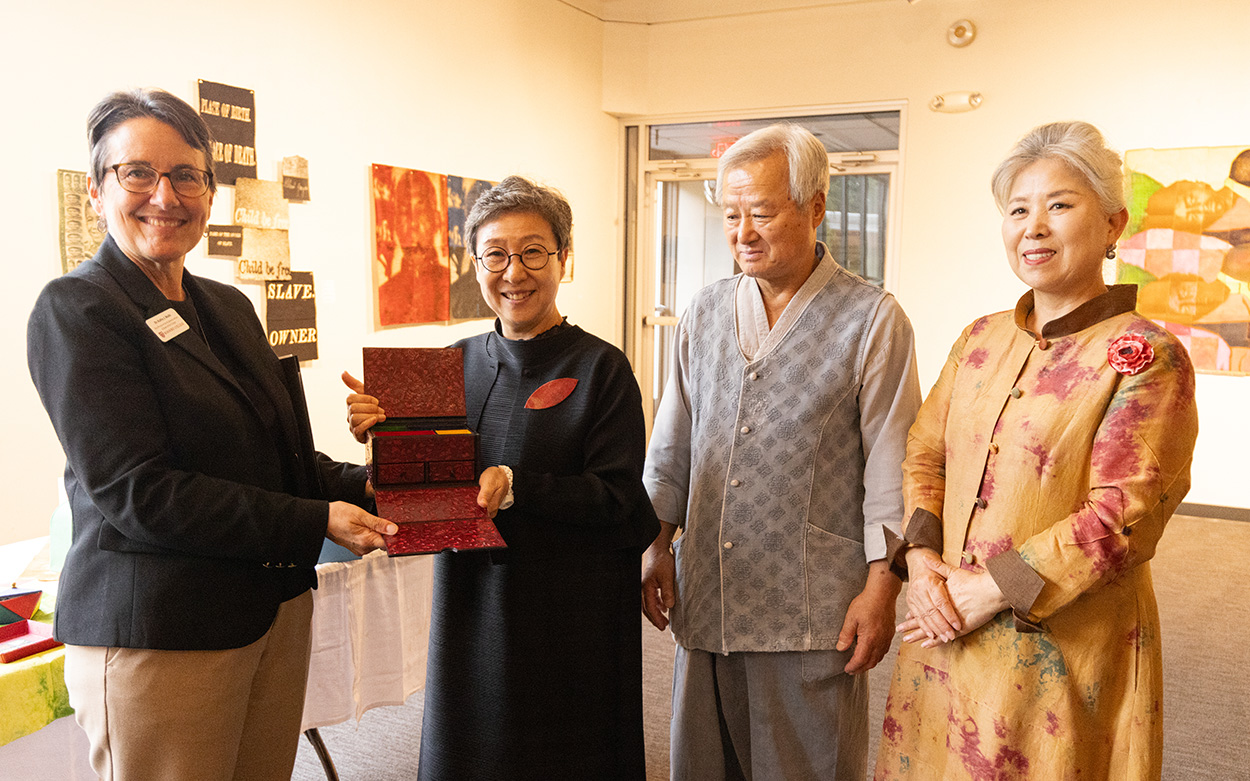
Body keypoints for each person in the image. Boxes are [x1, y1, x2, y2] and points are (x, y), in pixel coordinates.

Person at [26, 88, 395, 781]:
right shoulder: (78, 309)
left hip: (269, 616)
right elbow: (140, 491)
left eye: (186, 175)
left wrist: (369, 482)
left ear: (210, 191)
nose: (164, 195)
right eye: (137, 172)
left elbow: (274, 458)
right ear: (95, 191)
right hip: (164, 633)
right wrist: (319, 517)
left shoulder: (223, 305)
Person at [874, 121, 1199, 780]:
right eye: (1018, 209)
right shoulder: (981, 338)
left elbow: (1121, 517)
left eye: (1059, 205)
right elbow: (924, 449)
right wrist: (927, 558)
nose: (1034, 226)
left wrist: (990, 588)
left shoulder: (1144, 357)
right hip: (944, 624)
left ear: (1113, 223)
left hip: (1058, 649)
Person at [344, 175, 658, 780]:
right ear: (475, 262)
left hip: (572, 606)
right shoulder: (448, 363)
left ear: (564, 258)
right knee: (477, 747)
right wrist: (383, 443)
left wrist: (516, 486)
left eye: (533, 252)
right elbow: (422, 494)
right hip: (474, 601)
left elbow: (621, 499)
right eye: (495, 254)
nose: (513, 272)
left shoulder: (602, 367)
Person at [641, 123, 922, 780]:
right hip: (706, 597)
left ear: (816, 206)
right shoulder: (704, 311)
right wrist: (655, 541)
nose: (743, 231)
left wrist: (882, 588)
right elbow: (672, 443)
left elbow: (892, 468)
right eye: (732, 214)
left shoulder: (873, 320)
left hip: (811, 610)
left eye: (762, 213)